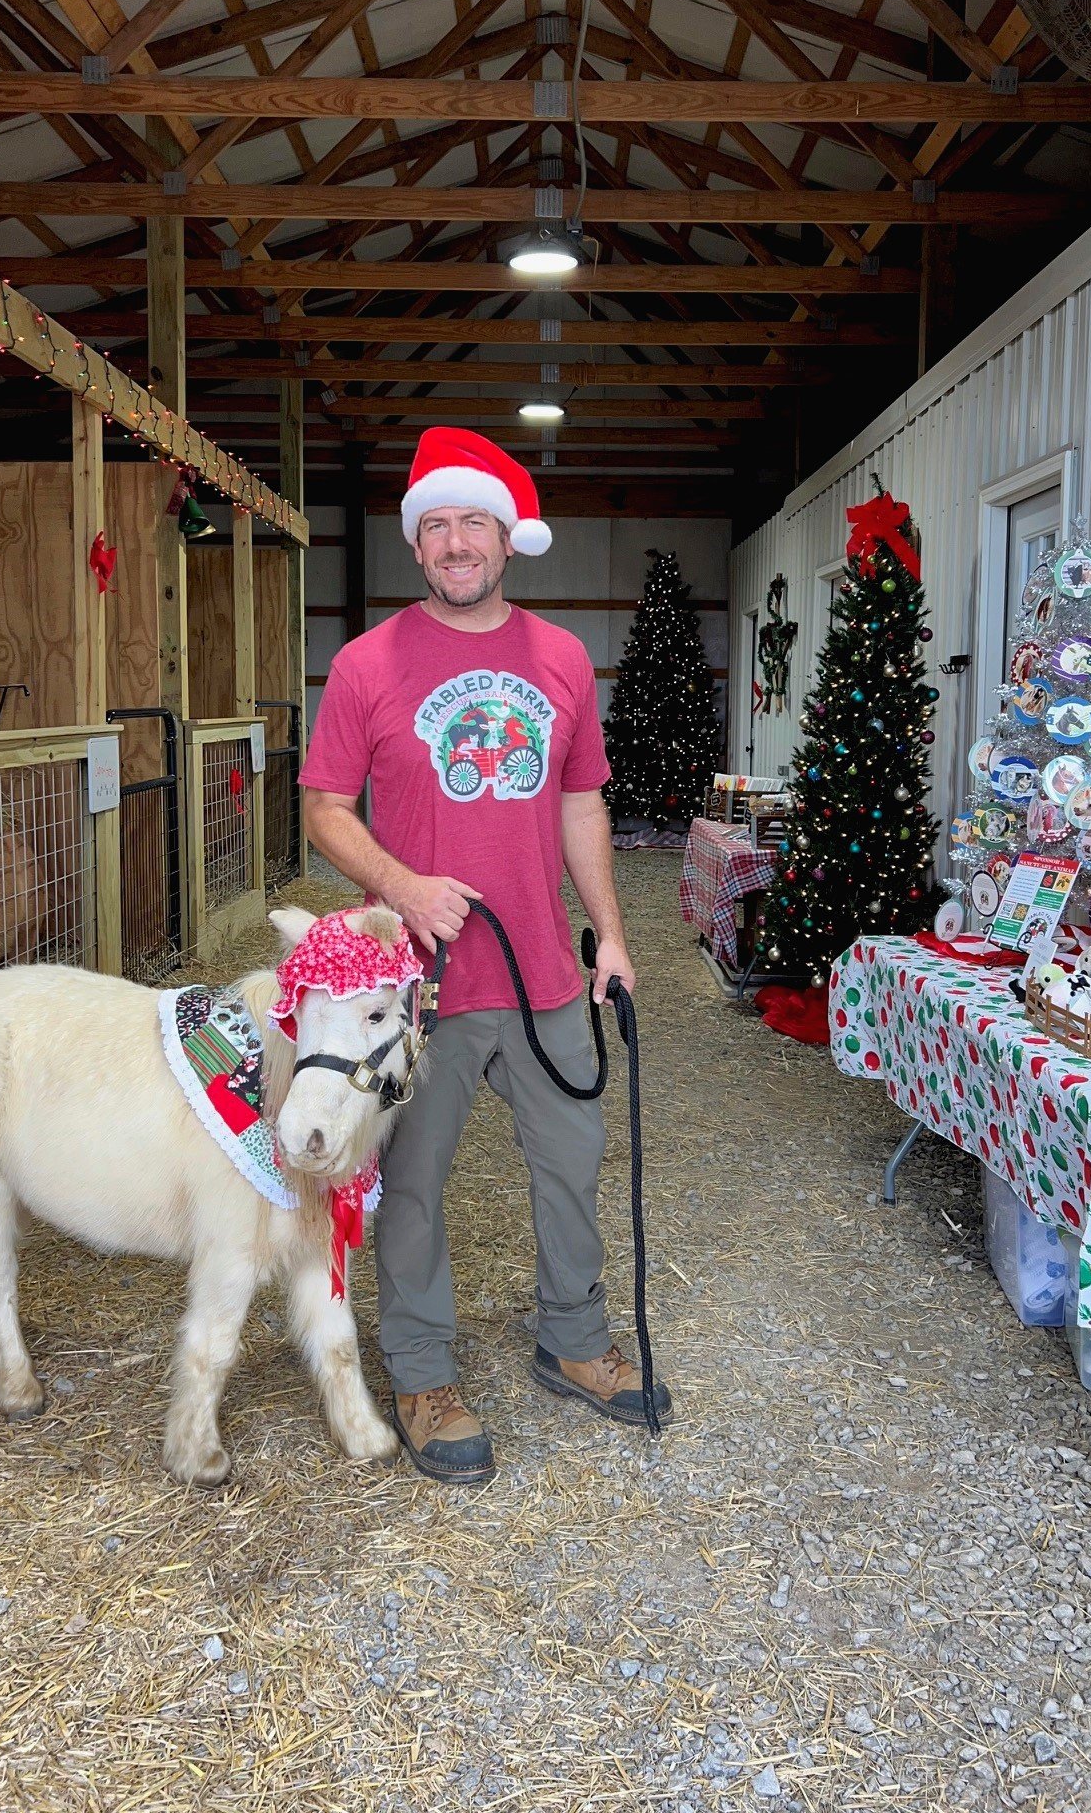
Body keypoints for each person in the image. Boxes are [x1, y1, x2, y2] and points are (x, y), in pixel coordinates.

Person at [300, 427, 673, 1483]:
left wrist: (612, 932)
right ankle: (420, 1370)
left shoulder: (559, 658)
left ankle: (575, 1339)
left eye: (475, 523)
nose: (457, 542)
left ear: (508, 540)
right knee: (412, 1182)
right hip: (417, 992)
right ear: (418, 548)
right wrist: (402, 888)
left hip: (546, 971)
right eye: (438, 527)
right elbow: (326, 806)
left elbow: (580, 799)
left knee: (572, 1159)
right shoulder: (368, 664)